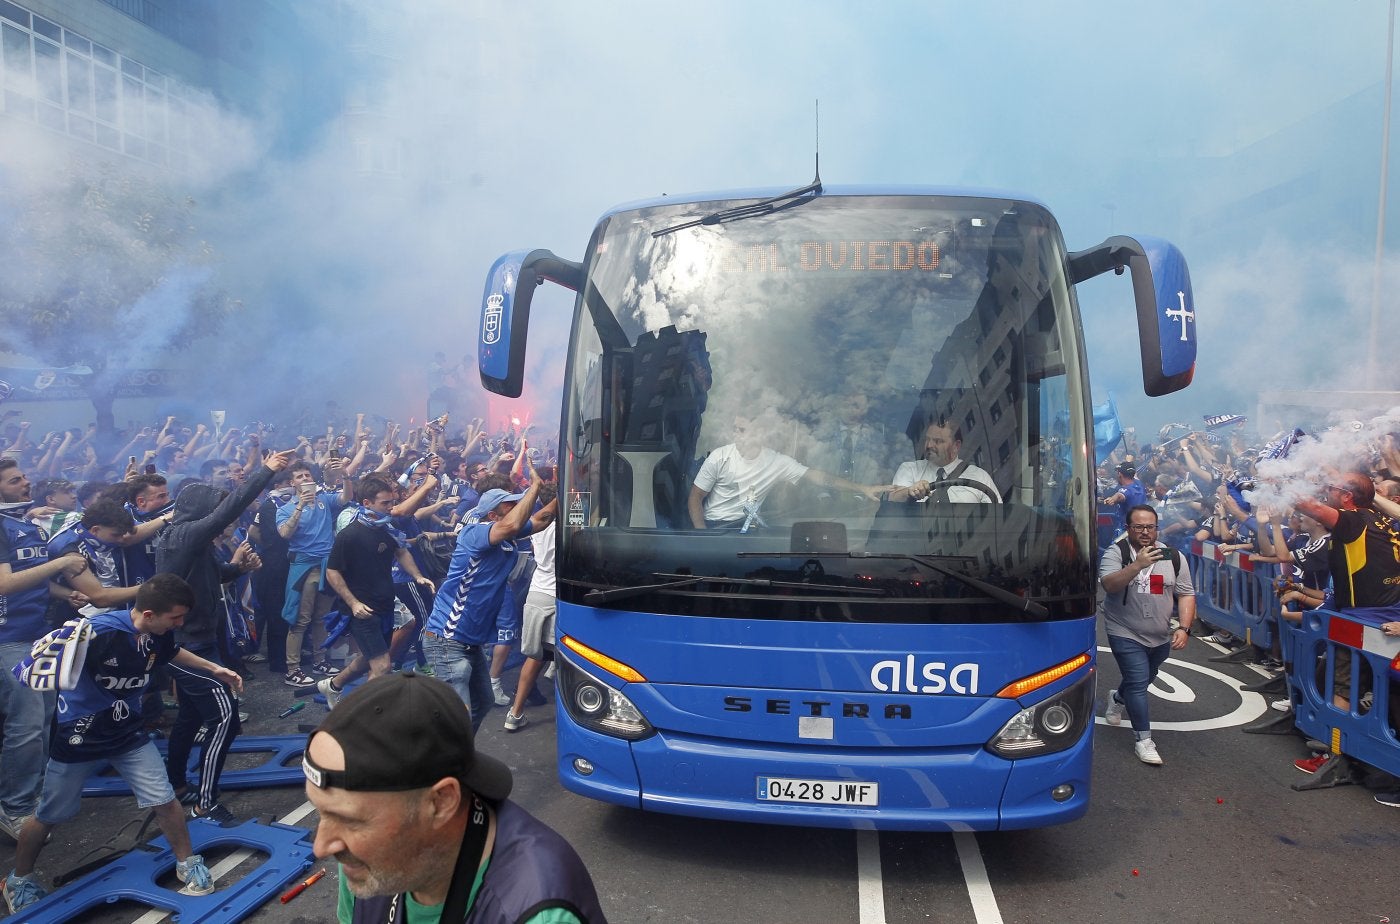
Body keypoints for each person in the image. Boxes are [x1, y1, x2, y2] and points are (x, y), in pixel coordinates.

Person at [2, 575, 231, 913]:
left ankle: (187, 862)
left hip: (127, 733)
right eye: (176, 617)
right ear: (149, 614)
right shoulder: (100, 632)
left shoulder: (159, 634)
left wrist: (214, 668)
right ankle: (18, 880)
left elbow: (172, 652)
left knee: (165, 799)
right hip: (80, 738)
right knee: (49, 814)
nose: (180, 624)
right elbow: (36, 664)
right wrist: (46, 663)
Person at [302, 672, 607, 923]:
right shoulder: (361, 862)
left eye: (350, 821)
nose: (322, 846)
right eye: (321, 812)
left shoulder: (536, 911)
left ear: (441, 802)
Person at [154, 448, 294, 822]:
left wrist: (239, 567)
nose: (221, 522)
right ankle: (205, 800)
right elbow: (228, 511)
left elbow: (214, 575)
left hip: (198, 640)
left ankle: (177, 785)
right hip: (185, 646)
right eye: (213, 511)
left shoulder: (193, 544)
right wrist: (265, 470)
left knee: (189, 717)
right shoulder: (183, 534)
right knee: (225, 719)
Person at [423, 475, 557, 728]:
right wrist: (536, 487)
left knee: (482, 703)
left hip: (470, 641)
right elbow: (513, 524)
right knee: (458, 717)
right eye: (511, 506)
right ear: (493, 516)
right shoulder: (474, 533)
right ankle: (441, 752)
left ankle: (457, 750)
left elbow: (541, 519)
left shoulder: (504, 534)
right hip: (447, 638)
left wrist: (568, 491)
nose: (518, 509)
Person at [320, 476, 437, 707]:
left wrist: (417, 576)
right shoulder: (350, 534)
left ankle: (332, 685)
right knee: (382, 665)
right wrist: (353, 603)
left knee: (368, 658)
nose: (391, 507)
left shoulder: (386, 529)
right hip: (361, 609)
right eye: (385, 503)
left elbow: (401, 551)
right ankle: (363, 714)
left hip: (384, 603)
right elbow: (332, 572)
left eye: (392, 502)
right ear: (367, 503)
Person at [1098, 504, 1196, 766]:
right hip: (1124, 629)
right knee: (1138, 681)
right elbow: (1109, 585)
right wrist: (1137, 565)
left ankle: (1117, 698)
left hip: (1160, 633)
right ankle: (1144, 740)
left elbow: (1186, 593)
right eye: (1139, 527)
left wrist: (1184, 627)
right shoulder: (1117, 552)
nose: (1145, 532)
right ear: (1128, 528)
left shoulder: (1172, 556)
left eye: (1150, 527)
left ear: (1157, 529)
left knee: (1145, 678)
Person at [688, 411, 889, 529]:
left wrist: (863, 488)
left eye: (742, 430)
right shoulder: (719, 457)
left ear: (760, 433)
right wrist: (702, 535)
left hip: (748, 529)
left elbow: (819, 477)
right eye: (734, 429)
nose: (735, 434)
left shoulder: (776, 461)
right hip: (715, 526)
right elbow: (695, 498)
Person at [504, 483, 558, 732]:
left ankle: (515, 713)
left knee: (534, 657)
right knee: (569, 657)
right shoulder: (564, 526)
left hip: (536, 593)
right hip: (557, 596)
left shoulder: (536, 524)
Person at [888, 419, 1001, 504]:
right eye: (927, 439)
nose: (929, 445)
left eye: (938, 441)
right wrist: (910, 492)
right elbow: (893, 501)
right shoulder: (910, 469)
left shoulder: (980, 477)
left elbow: (997, 518)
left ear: (956, 446)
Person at [1099, 462, 1146, 531]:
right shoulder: (1139, 484)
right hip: (1140, 526)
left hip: (1127, 530)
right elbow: (1135, 475)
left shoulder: (1126, 490)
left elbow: (1119, 495)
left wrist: (1112, 499)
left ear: (1119, 474)